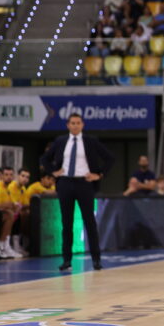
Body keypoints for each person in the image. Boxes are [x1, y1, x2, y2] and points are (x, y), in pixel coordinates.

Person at [41, 114, 114, 271]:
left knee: (90, 222)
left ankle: (96, 260)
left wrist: (99, 174)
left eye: (78, 123)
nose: (75, 125)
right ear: (68, 125)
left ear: (83, 125)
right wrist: (53, 172)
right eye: (72, 123)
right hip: (65, 183)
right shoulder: (61, 141)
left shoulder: (90, 141)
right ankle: (66, 260)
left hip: (84, 183)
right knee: (66, 223)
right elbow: (45, 159)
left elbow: (110, 158)